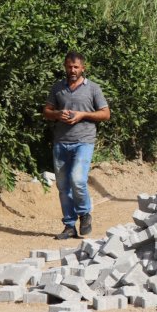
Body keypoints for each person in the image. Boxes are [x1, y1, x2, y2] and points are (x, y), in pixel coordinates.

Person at [43, 51, 110, 240]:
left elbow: (105, 114)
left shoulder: (93, 89)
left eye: (76, 67)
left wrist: (83, 115)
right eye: (69, 67)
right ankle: (69, 226)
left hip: (84, 141)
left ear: (83, 68)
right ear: (65, 67)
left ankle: (84, 213)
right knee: (63, 186)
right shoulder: (57, 88)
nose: (72, 70)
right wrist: (57, 114)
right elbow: (46, 111)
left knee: (78, 179)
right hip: (61, 142)